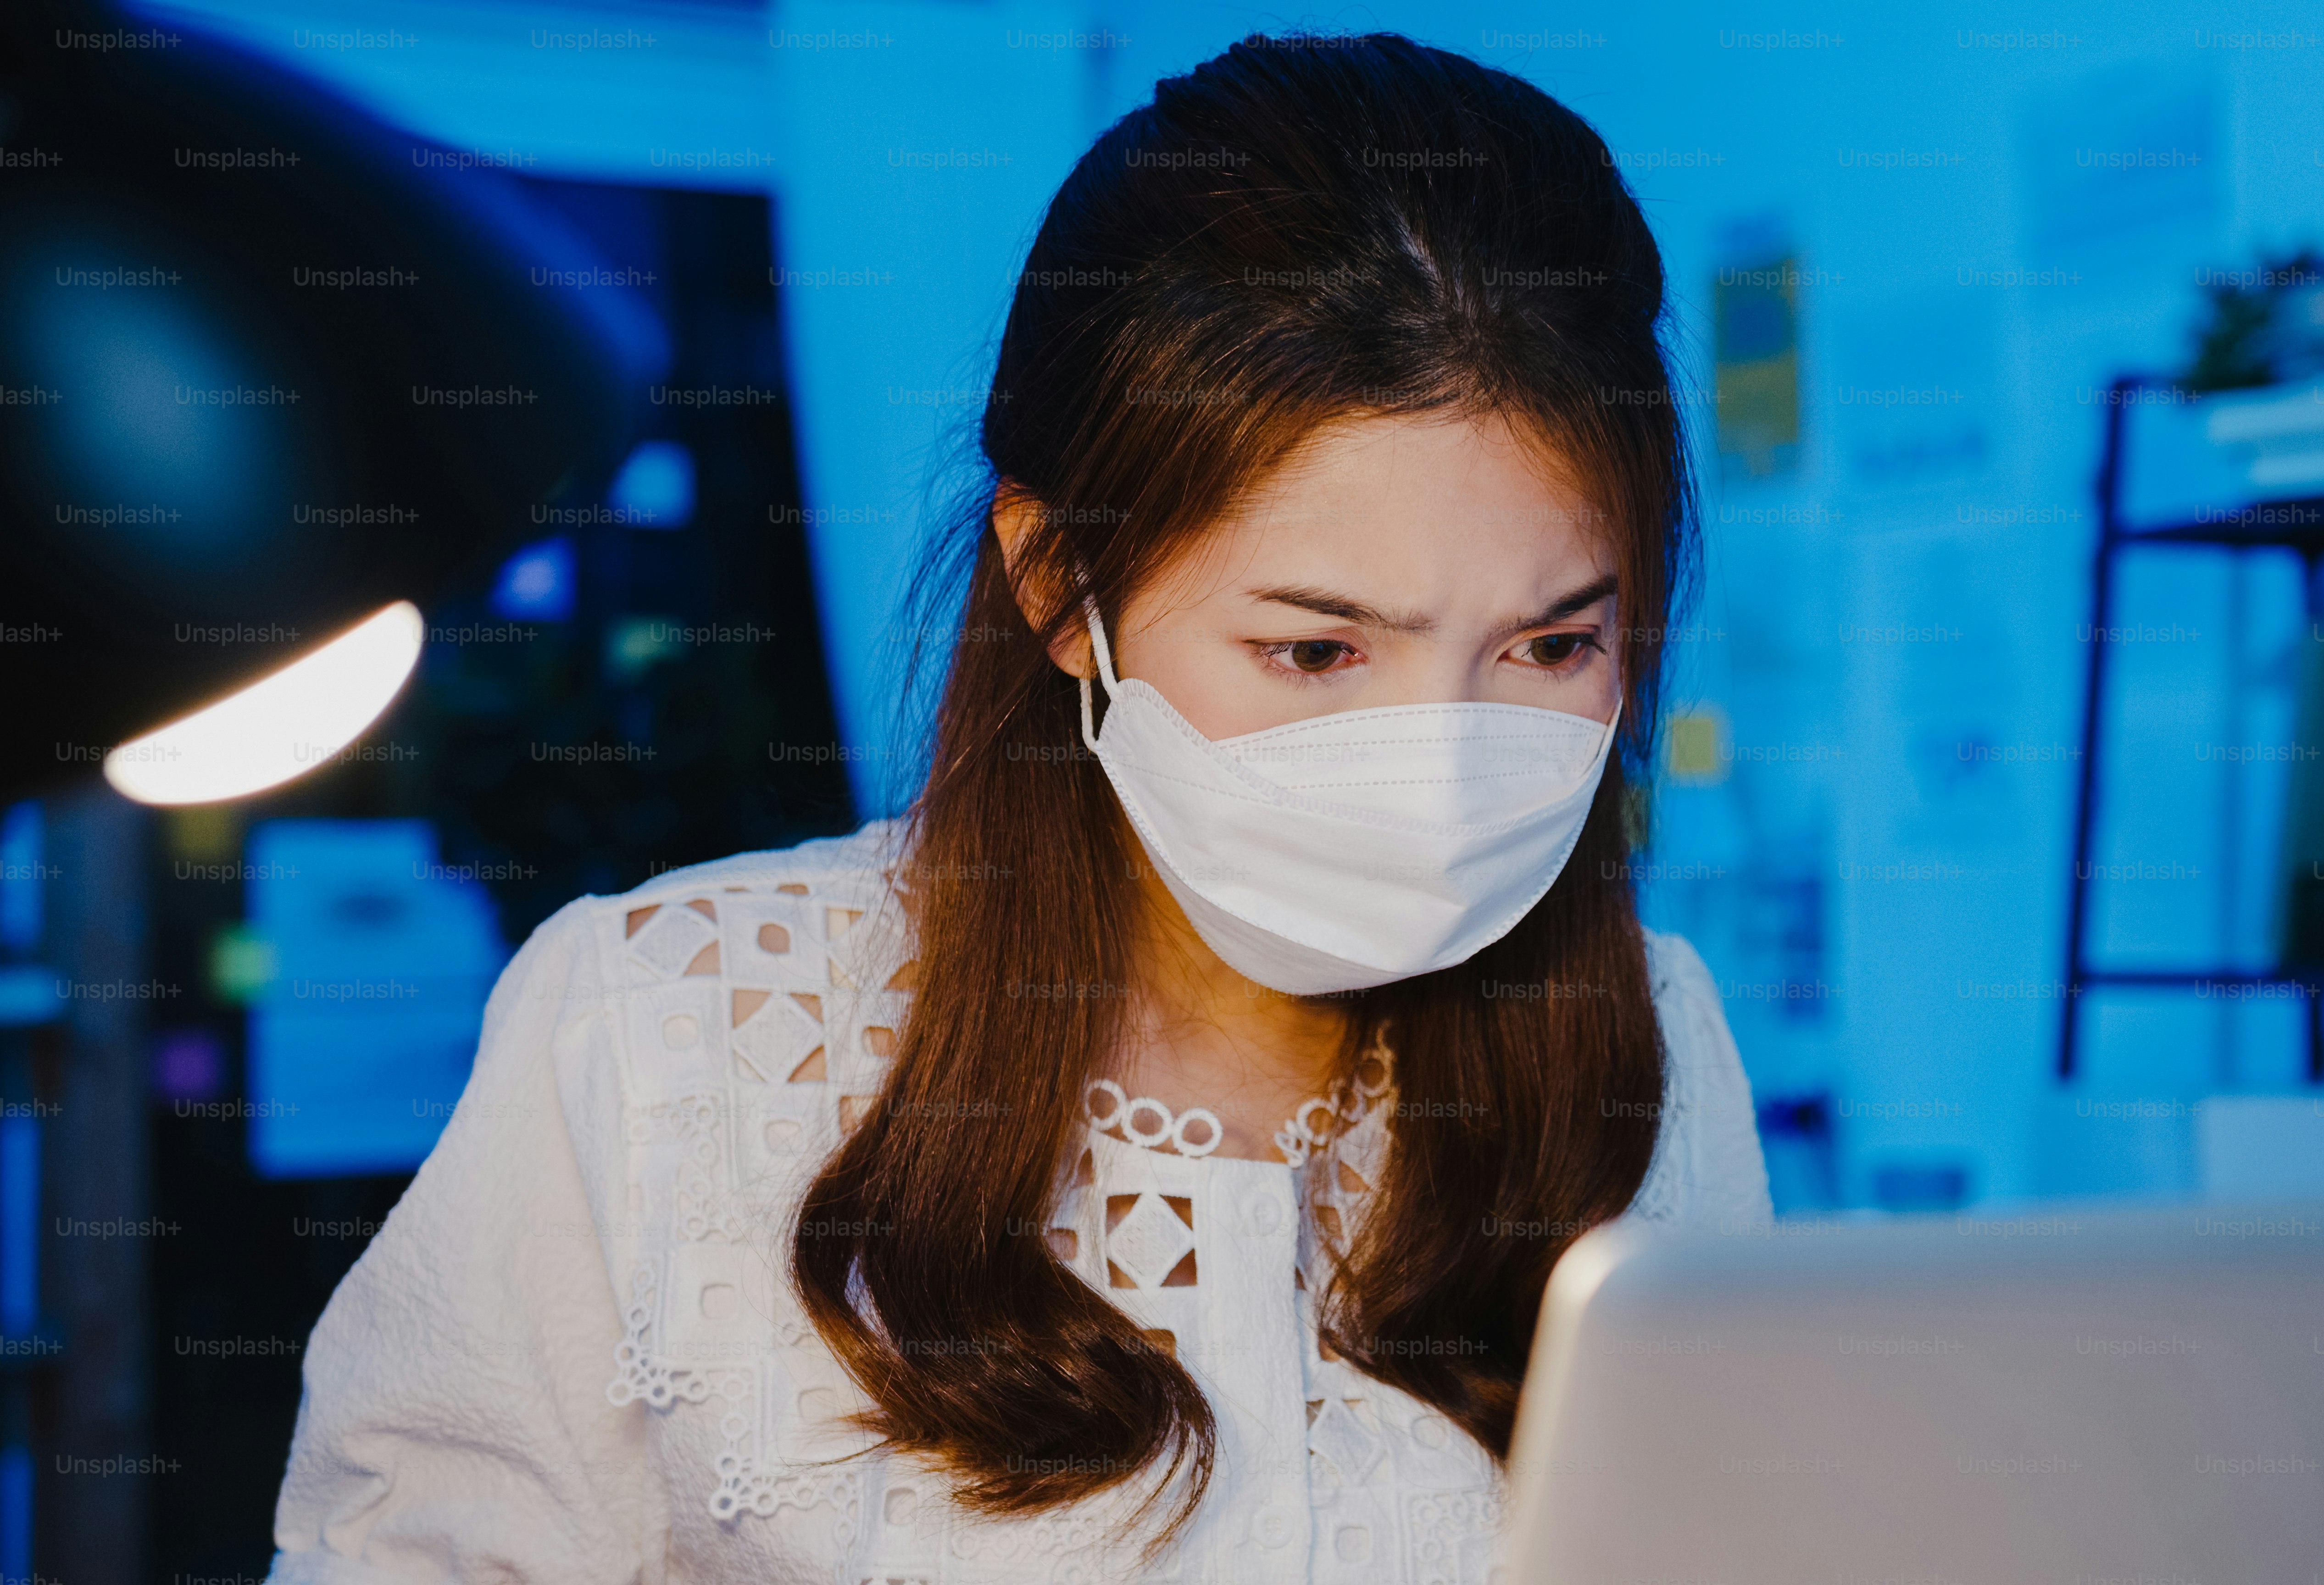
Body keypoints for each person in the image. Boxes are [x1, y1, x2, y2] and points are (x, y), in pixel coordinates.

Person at [268, 31, 1769, 1584]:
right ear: (1063, 586)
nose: (1444, 763)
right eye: (1317, 650)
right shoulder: (666, 1031)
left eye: (1551, 645)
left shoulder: (1657, 1043)